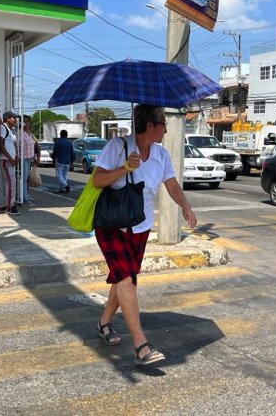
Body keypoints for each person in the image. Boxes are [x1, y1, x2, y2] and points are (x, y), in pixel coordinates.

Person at [92, 104, 197, 366]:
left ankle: (104, 322)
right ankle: (141, 344)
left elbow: (171, 184)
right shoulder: (118, 146)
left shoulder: (161, 154)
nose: (166, 129)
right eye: (163, 123)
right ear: (150, 125)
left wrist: (185, 206)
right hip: (112, 224)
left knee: (123, 277)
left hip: (140, 225)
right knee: (127, 278)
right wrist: (125, 167)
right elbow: (97, 180)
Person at [0, 111, 20, 215]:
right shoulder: (3, 128)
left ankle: (2, 205)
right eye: (14, 118)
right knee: (11, 182)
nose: (16, 120)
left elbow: (11, 145)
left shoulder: (10, 130)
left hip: (8, 159)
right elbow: (1, 145)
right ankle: (10, 206)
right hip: (5, 159)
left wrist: (16, 156)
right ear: (8, 119)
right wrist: (10, 158)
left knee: (3, 182)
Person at [19, 115, 40, 206]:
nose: (26, 123)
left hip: (29, 158)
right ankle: (24, 198)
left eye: (28, 121)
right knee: (23, 179)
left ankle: (25, 196)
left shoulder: (29, 133)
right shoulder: (19, 132)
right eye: (24, 121)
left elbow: (35, 146)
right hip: (22, 158)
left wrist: (36, 157)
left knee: (26, 179)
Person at [51, 129, 75, 193]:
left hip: (60, 160)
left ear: (60, 135)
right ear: (67, 135)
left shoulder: (58, 142)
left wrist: (53, 159)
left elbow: (55, 152)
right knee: (64, 175)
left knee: (58, 174)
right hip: (68, 161)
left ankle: (65, 185)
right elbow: (72, 153)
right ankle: (62, 188)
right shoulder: (70, 143)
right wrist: (72, 162)